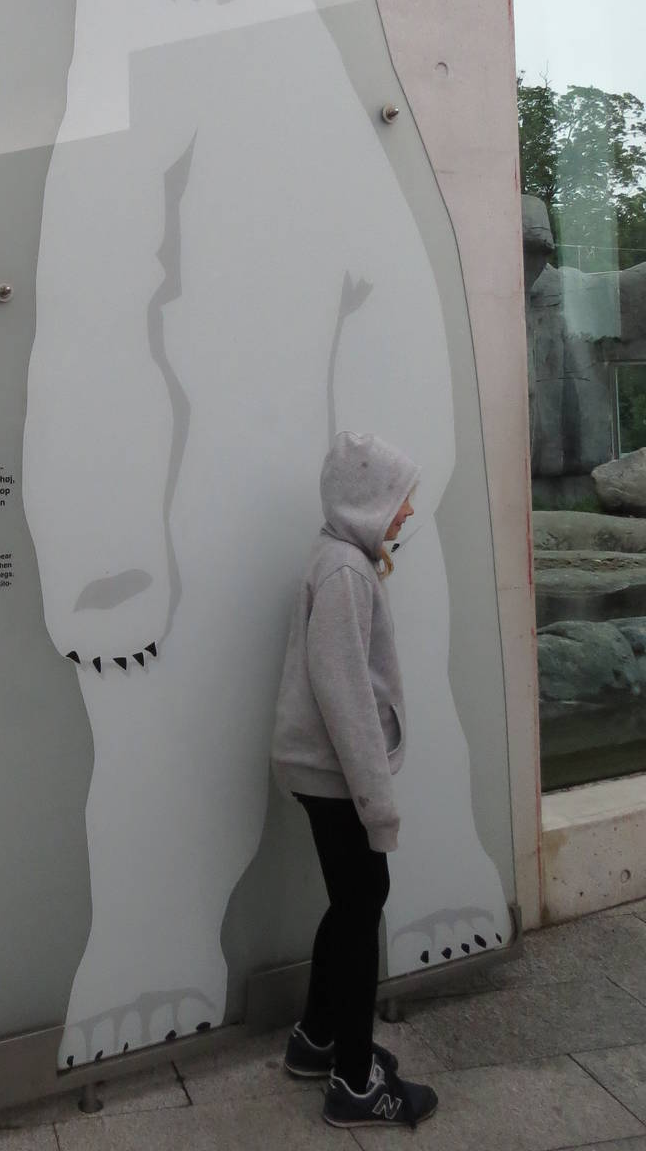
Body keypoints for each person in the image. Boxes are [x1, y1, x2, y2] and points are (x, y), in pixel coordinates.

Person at [270, 430, 439, 1129]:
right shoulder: (345, 571)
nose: (405, 513)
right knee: (364, 901)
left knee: (351, 902)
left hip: (323, 768)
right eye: (398, 500)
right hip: (335, 771)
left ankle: (317, 1040)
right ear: (368, 499)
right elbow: (344, 696)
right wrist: (379, 805)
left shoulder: (345, 560)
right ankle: (355, 1081)